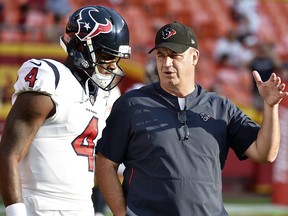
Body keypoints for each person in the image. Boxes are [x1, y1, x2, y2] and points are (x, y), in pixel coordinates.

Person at [95, 21, 288, 216]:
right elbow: (104, 163)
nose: (166, 63)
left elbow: (265, 154)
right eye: (161, 55)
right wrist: (121, 213)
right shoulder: (132, 104)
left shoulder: (221, 107)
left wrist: (270, 107)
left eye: (174, 56)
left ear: (194, 57)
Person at [0, 5, 131, 216]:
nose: (112, 65)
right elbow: (8, 153)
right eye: (106, 55)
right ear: (81, 47)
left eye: (115, 58)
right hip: (42, 206)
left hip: (82, 207)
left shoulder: (97, 94)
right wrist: (16, 212)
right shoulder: (52, 80)